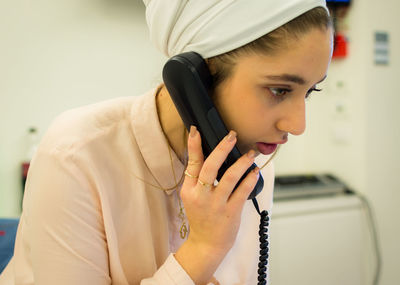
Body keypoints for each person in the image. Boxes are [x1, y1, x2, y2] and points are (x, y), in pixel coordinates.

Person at [0, 0, 333, 284]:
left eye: (311, 91)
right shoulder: (75, 154)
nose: (298, 126)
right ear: (197, 76)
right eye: (279, 90)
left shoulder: (249, 163)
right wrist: (202, 251)